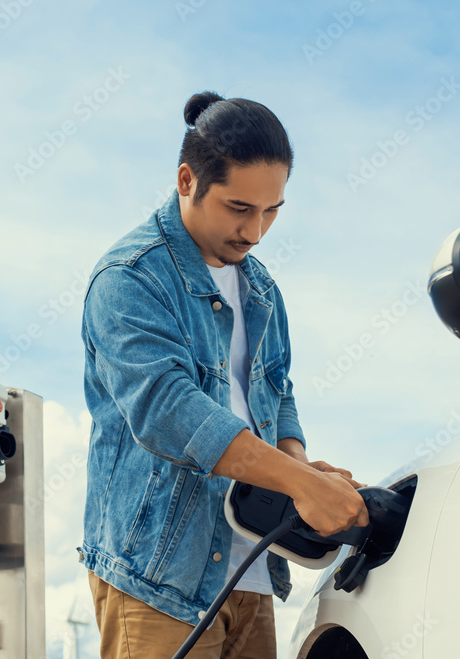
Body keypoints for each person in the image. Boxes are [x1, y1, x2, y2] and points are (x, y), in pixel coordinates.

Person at [76, 90, 369, 658]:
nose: (256, 231)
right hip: (159, 578)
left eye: (272, 210)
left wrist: (299, 467)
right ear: (187, 180)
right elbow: (168, 411)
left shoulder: (262, 288)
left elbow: (278, 391)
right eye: (239, 208)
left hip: (252, 571)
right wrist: (300, 483)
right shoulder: (127, 279)